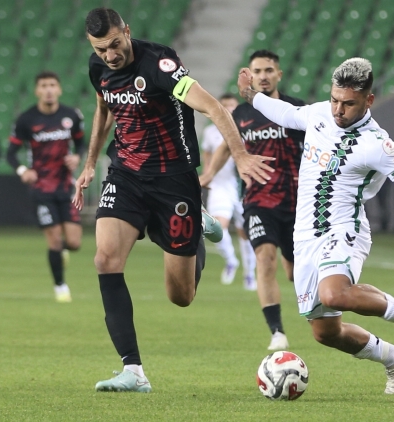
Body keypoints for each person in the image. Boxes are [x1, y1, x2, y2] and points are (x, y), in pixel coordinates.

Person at [236, 57, 394, 394]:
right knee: (325, 333)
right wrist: (250, 95)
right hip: (305, 236)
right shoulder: (319, 114)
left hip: (345, 229)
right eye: (335, 100)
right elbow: (284, 113)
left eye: (348, 104)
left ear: (368, 100)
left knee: (334, 294)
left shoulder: (379, 144)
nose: (338, 110)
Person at [72, 8, 273, 393]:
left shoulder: (159, 64)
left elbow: (213, 106)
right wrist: (90, 163)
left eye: (115, 44)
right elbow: (104, 108)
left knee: (180, 296)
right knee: (105, 259)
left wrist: (241, 154)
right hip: (126, 173)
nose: (110, 55)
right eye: (101, 49)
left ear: (127, 31)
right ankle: (134, 371)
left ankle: (197, 225)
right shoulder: (99, 68)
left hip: (173, 180)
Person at [200, 50, 306, 351]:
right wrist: (208, 174)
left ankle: (316, 311)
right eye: (257, 71)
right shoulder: (241, 115)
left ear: (279, 74)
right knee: (265, 259)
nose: (263, 76)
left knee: (294, 272)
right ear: (251, 75)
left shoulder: (297, 110)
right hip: (258, 200)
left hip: (297, 203)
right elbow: (225, 147)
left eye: (269, 70)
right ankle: (277, 332)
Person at [7, 71, 85, 303]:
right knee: (54, 240)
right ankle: (60, 286)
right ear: (37, 91)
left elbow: (81, 142)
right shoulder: (26, 119)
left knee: (74, 243)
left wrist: (77, 157)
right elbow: (10, 153)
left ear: (59, 89)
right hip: (41, 188)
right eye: (43, 86)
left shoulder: (72, 115)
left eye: (52, 85)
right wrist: (23, 171)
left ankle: (62, 253)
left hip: (66, 186)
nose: (48, 90)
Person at [201, 93, 257, 290]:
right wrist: (207, 174)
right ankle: (231, 260)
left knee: (246, 233)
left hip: (241, 187)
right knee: (217, 227)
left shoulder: (247, 128)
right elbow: (207, 154)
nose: (228, 109)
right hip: (219, 185)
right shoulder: (210, 132)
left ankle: (249, 274)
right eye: (224, 106)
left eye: (232, 106)